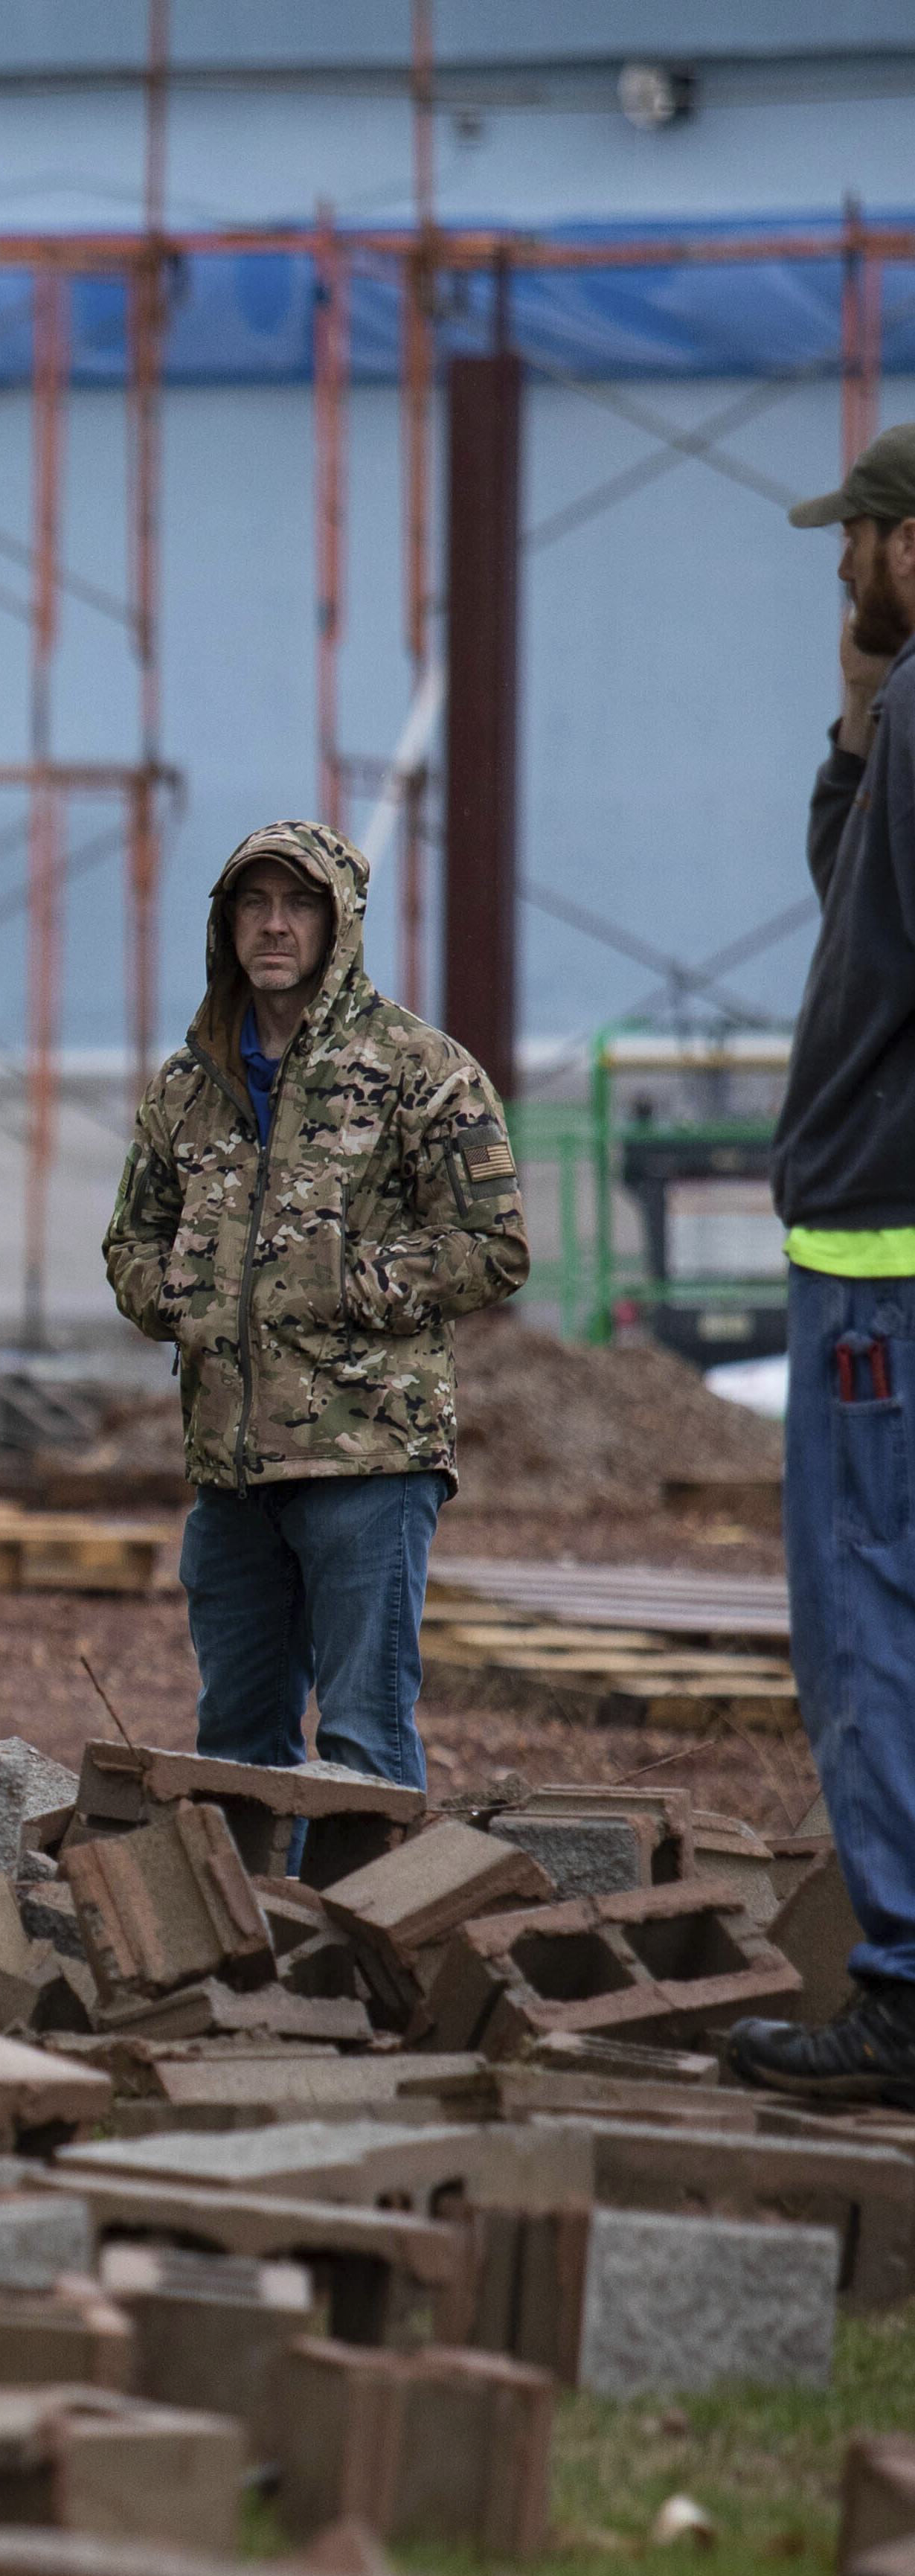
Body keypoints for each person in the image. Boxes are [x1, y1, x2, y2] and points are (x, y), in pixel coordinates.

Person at [101, 824, 526, 1806]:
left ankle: (364, 1951)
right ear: (225, 924)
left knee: (362, 1739)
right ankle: (253, 1947)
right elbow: (131, 1237)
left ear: (340, 923)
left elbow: (494, 1245)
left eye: (299, 905)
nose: (276, 925)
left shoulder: (420, 1070)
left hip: (367, 1461)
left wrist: (341, 1280)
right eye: (254, 904)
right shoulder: (186, 1084)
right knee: (236, 1744)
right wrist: (173, 1295)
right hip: (231, 1469)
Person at [729, 426, 915, 2102]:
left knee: (863, 1617)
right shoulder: (904, 719)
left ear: (907, 545)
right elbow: (851, 884)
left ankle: (907, 1989)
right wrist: (858, 712)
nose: (835, 570)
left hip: (884, 1264)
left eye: (852, 543)